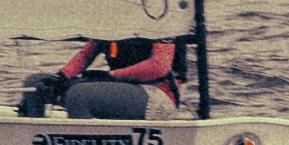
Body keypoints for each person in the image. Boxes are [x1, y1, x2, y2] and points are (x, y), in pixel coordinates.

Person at [16, 38, 186, 120]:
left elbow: (159, 66)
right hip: (122, 88)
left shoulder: (160, 20)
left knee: (79, 95)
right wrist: (60, 78)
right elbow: (85, 56)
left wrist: (110, 76)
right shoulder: (109, 23)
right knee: (35, 85)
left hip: (158, 94)